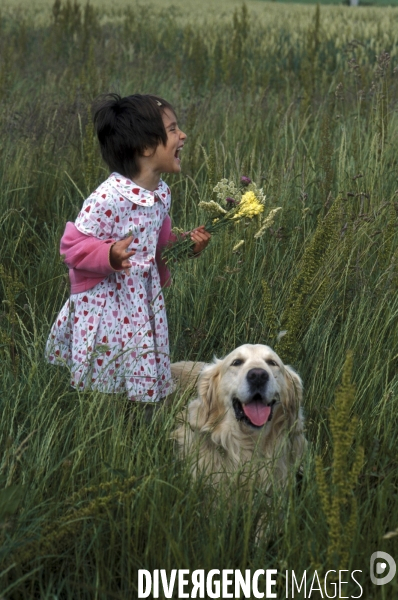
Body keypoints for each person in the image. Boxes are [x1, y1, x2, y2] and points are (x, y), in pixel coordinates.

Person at [46, 93, 210, 403]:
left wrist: (187, 245)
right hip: (108, 305)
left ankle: (138, 420)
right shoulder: (109, 198)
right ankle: (103, 420)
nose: (182, 135)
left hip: (141, 303)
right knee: (107, 374)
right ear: (147, 147)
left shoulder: (160, 194)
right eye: (173, 129)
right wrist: (108, 255)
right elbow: (72, 247)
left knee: (140, 362)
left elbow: (159, 245)